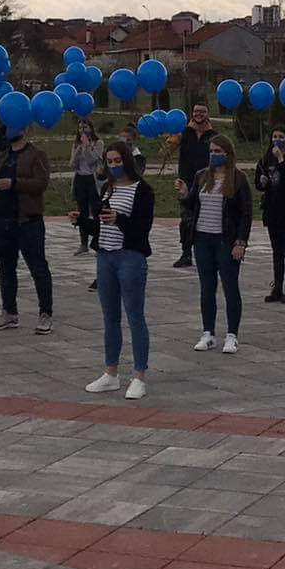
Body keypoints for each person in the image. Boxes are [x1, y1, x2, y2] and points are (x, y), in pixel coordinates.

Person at [84, 140, 154, 399]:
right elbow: (101, 225)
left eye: (117, 161)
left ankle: (139, 376)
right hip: (105, 257)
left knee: (135, 316)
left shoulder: (142, 190)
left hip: (130, 258)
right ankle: (110, 373)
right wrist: (82, 221)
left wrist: (119, 219)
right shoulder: (107, 189)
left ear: (127, 160)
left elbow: (141, 229)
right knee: (109, 317)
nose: (113, 166)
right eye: (109, 162)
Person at [179, 134, 252, 354]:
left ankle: (232, 335)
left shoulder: (238, 179)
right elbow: (192, 204)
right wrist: (184, 195)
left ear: (228, 154)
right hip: (202, 239)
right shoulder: (201, 176)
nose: (214, 155)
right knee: (206, 288)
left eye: (218, 152)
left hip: (226, 240)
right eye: (211, 151)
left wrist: (240, 242)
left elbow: (246, 213)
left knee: (230, 287)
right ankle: (208, 333)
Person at [0, 118, 54, 332]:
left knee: (38, 268)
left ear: (24, 128)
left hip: (27, 220)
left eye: (14, 125)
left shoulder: (35, 155)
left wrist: (14, 183)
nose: (10, 130)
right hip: (2, 220)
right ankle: (9, 312)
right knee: (6, 269)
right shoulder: (1, 154)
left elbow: (41, 183)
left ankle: (45, 313)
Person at [170, 103, 217, 268]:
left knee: (206, 220)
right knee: (186, 221)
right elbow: (165, 151)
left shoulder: (213, 136)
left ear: (207, 114)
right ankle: (186, 254)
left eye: (202, 112)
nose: (199, 114)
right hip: (186, 183)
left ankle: (209, 254)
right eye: (196, 111)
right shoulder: (183, 133)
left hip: (207, 184)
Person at [256, 127, 285, 304]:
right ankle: (277, 287)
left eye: (281, 137)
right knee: (276, 250)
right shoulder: (266, 158)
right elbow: (259, 179)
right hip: (272, 209)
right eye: (274, 136)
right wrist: (262, 182)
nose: (277, 140)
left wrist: (281, 159)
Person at [69, 121, 105, 255]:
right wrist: (79, 150)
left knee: (96, 210)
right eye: (79, 127)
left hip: (92, 179)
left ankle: (97, 242)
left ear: (91, 128)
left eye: (85, 127)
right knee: (82, 211)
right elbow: (72, 163)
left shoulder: (98, 143)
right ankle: (83, 243)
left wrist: (87, 146)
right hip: (80, 179)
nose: (82, 130)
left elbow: (92, 160)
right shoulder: (76, 143)